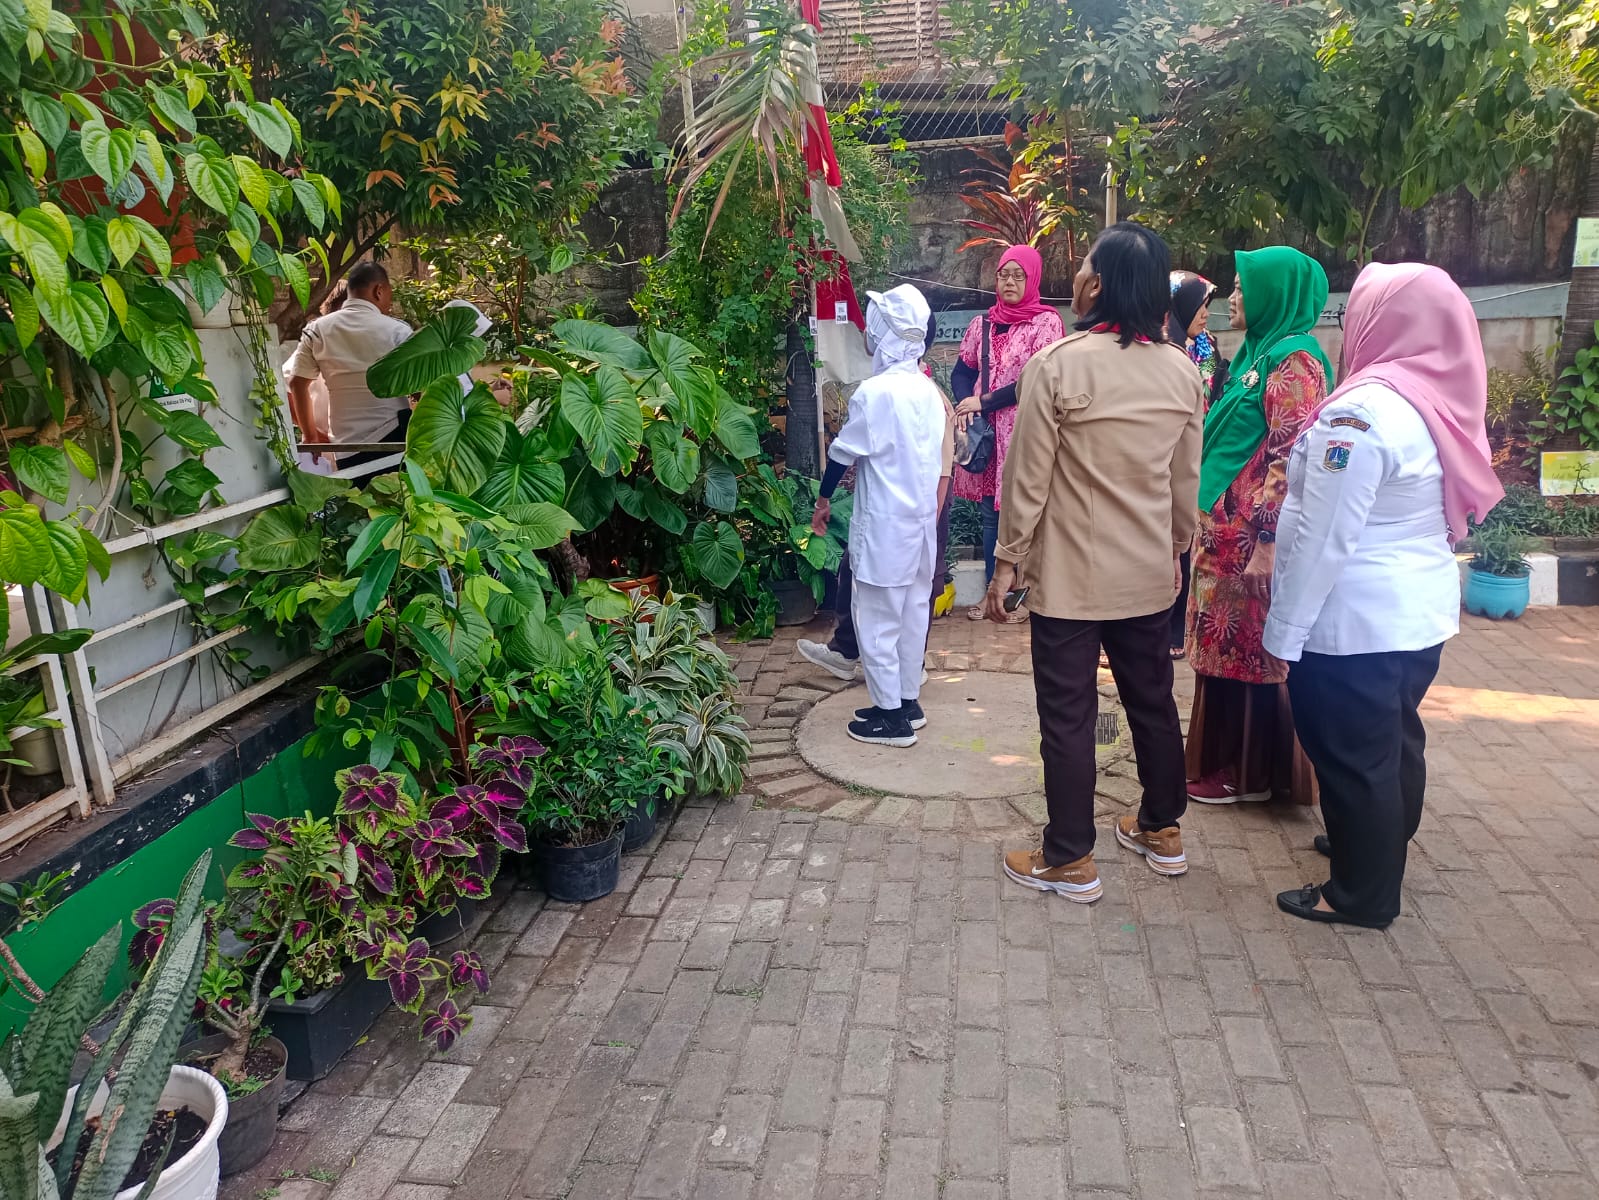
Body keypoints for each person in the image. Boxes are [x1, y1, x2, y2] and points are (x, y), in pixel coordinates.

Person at [1265, 262, 1501, 929]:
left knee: (1351, 754)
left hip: (1355, 619)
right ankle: (1377, 842)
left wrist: (1283, 632)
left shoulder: (1360, 414)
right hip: (1414, 613)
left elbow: (1324, 537)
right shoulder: (1436, 400)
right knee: (1392, 740)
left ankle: (1361, 893)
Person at [990, 222, 1204, 903]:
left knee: (1068, 715)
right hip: (1146, 574)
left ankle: (1069, 857)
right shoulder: (1181, 372)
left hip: (1070, 580)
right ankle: (1161, 828)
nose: (1077, 274)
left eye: (1085, 264)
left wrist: (1007, 561)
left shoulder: (1057, 365)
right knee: (1152, 702)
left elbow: (1027, 479)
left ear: (1099, 284)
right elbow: (1184, 482)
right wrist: (1176, 550)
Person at [1184, 248, 1334, 806]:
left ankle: (1245, 774)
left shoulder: (1295, 362)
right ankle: (1221, 762)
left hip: (1251, 542)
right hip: (1224, 537)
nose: (1233, 297)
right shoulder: (1259, 352)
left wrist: (1268, 540)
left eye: (1244, 287)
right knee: (1222, 646)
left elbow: (1291, 457)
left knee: (1249, 650)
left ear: (1276, 293)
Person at [810, 286, 946, 747]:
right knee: (911, 616)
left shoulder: (875, 393)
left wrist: (823, 501)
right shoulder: (927, 390)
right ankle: (906, 702)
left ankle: (890, 720)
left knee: (876, 620)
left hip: (886, 529)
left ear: (886, 333)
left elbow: (841, 454)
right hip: (920, 528)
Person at [950, 245, 1066, 620]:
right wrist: (966, 403)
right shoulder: (982, 324)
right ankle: (993, 594)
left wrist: (981, 402)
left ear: (1032, 279)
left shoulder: (1046, 324)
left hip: (1025, 430)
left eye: (1019, 275)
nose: (1010, 282)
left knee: (1027, 513)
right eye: (1004, 275)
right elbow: (962, 371)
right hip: (988, 436)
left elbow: (1037, 381)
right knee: (991, 515)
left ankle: (1024, 597)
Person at [286, 262, 413, 470]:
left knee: (355, 491)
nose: (390, 303)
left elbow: (296, 384)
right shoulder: (398, 332)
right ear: (379, 290)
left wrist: (310, 436)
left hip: (345, 446)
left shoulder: (317, 330)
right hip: (394, 440)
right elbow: (419, 386)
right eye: (390, 294)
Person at [1166, 270, 1222, 659]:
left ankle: (1179, 628)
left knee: (1187, 541)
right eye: (1200, 306)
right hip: (1168, 456)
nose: (1205, 314)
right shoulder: (1160, 349)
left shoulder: (1206, 345)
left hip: (1200, 454)